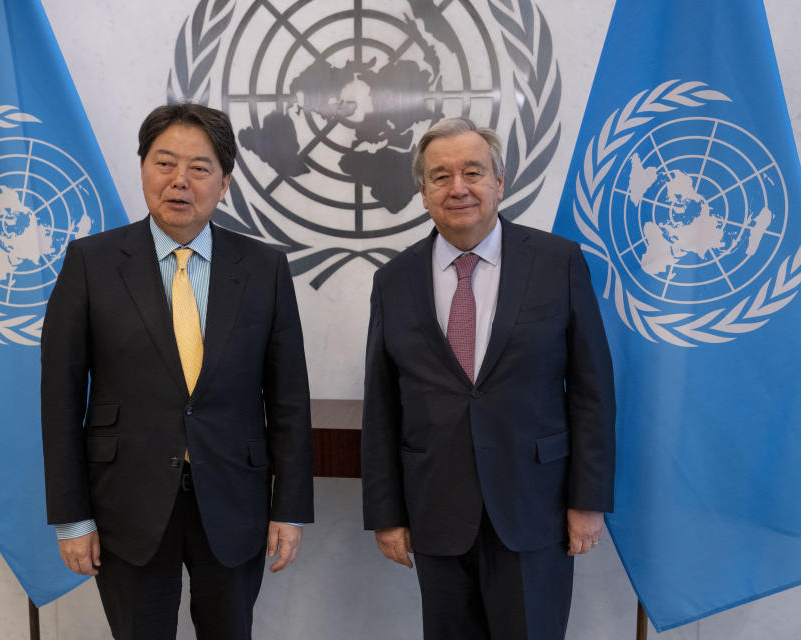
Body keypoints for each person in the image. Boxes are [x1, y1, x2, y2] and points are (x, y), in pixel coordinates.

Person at [41, 103, 314, 640]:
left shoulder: (263, 269)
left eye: (199, 167)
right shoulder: (91, 264)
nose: (179, 182)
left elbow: (288, 400)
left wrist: (291, 509)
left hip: (235, 498)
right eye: (164, 163)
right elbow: (60, 397)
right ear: (143, 168)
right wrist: (72, 518)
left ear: (225, 181)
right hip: (126, 504)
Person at [361, 117, 615, 640]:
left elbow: (592, 392)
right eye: (440, 176)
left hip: (535, 509)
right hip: (437, 513)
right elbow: (382, 406)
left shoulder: (557, 262)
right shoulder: (394, 281)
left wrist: (587, 501)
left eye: (472, 172)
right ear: (423, 192)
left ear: (500, 183)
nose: (458, 188)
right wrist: (386, 515)